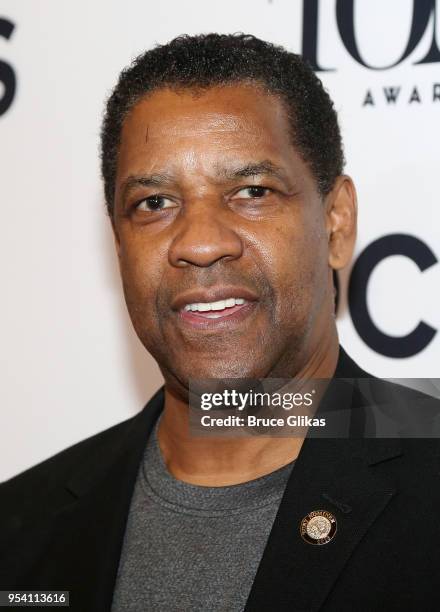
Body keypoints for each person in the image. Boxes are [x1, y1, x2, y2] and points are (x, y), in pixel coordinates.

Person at [1, 34, 439, 612]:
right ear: (117, 241)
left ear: (335, 223)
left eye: (252, 192)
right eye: (154, 203)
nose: (201, 243)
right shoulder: (18, 530)